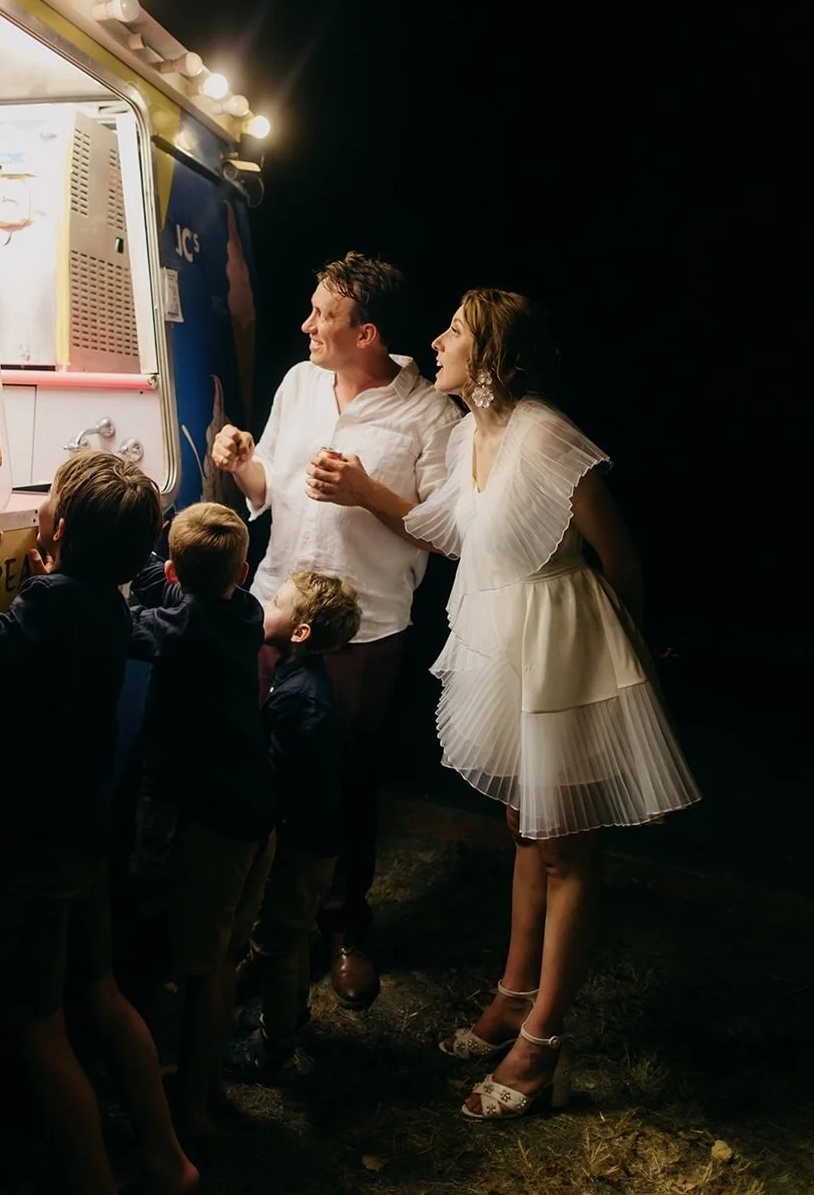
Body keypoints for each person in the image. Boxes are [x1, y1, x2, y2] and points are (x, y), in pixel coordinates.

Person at [307, 288, 701, 1122]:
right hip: (504, 640)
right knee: (526, 832)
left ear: (490, 356)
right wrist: (366, 492)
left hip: (565, 650)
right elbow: (443, 529)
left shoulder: (547, 435)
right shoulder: (465, 433)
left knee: (565, 852)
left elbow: (618, 560)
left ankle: (543, 1046)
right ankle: (514, 995)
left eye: (453, 332)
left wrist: (627, 671)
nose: (436, 341)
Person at [0, 452, 198, 1195]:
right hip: (83, 832)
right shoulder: (105, 598)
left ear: (63, 528)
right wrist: (51, 574)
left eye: (49, 497)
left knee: (39, 1029)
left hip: (29, 848)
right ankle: (166, 1157)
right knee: (102, 995)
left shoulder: (51, 605)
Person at [211, 252, 459, 1009]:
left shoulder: (428, 414)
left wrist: (364, 490)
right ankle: (250, 926)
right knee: (257, 766)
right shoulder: (298, 383)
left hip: (366, 625)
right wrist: (245, 463)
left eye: (323, 314)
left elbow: (445, 533)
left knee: (344, 780)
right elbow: (272, 494)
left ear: (368, 334)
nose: (307, 324)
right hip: (273, 609)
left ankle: (344, 925)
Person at [127, 503, 275, 1138]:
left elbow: (126, 627)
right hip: (254, 808)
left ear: (173, 573)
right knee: (226, 952)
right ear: (244, 570)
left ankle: (190, 1116)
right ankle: (207, 1082)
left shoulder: (181, 626)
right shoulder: (247, 612)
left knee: (202, 970)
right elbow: (175, 604)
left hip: (213, 820)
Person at [225, 571, 362, 1079]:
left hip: (301, 845)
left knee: (277, 938)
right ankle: (289, 1013)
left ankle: (274, 1044)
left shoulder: (301, 699)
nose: (266, 603)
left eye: (277, 600)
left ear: (300, 632)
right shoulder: (298, 680)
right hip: (309, 839)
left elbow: (282, 784)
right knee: (288, 934)